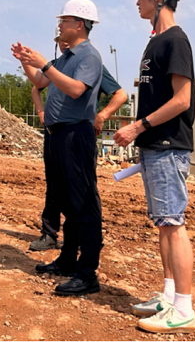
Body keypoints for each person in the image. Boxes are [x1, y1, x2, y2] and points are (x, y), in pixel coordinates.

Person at [115, 0, 195, 334]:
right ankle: (168, 296)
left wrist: (139, 126)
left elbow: (182, 99)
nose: (137, 1)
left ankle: (184, 308)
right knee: (164, 225)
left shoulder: (176, 40)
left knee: (173, 224)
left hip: (167, 146)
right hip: (154, 147)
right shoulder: (155, 42)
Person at [12, 0, 103, 296]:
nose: (60, 25)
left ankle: (87, 273)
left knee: (83, 203)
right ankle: (68, 259)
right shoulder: (65, 58)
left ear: (80, 24)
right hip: (57, 136)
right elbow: (40, 81)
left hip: (76, 135)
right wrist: (26, 61)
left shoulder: (89, 56)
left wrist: (45, 64)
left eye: (64, 21)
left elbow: (76, 90)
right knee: (65, 201)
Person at [28, 31, 127, 253]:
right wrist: (41, 111)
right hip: (55, 133)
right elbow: (37, 86)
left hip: (77, 133)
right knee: (56, 186)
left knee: (82, 190)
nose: (64, 44)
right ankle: (53, 235)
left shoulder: (89, 62)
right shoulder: (58, 65)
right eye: (60, 42)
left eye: (66, 40)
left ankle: (88, 240)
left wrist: (102, 116)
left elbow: (120, 94)